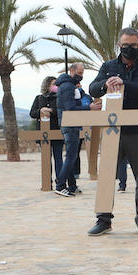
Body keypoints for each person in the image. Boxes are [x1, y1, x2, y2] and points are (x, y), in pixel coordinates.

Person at [87, 27, 138, 235]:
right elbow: (92, 88)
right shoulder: (108, 66)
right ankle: (103, 219)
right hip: (113, 131)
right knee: (107, 175)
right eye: (126, 45)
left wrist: (124, 83)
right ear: (119, 45)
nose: (129, 49)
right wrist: (104, 84)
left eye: (134, 45)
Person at [54, 62, 86, 196]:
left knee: (72, 156)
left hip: (71, 124)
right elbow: (70, 108)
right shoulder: (67, 86)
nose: (81, 76)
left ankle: (72, 185)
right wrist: (88, 108)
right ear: (72, 71)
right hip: (70, 124)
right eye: (79, 73)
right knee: (71, 156)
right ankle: (60, 185)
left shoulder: (70, 85)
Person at [29, 75, 63, 183]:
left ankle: (60, 180)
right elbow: (32, 113)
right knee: (46, 159)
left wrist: (51, 110)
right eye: (54, 84)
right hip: (44, 134)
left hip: (57, 132)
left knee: (58, 158)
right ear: (47, 85)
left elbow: (62, 112)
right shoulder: (39, 98)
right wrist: (41, 110)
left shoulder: (60, 98)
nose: (56, 86)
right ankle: (47, 181)